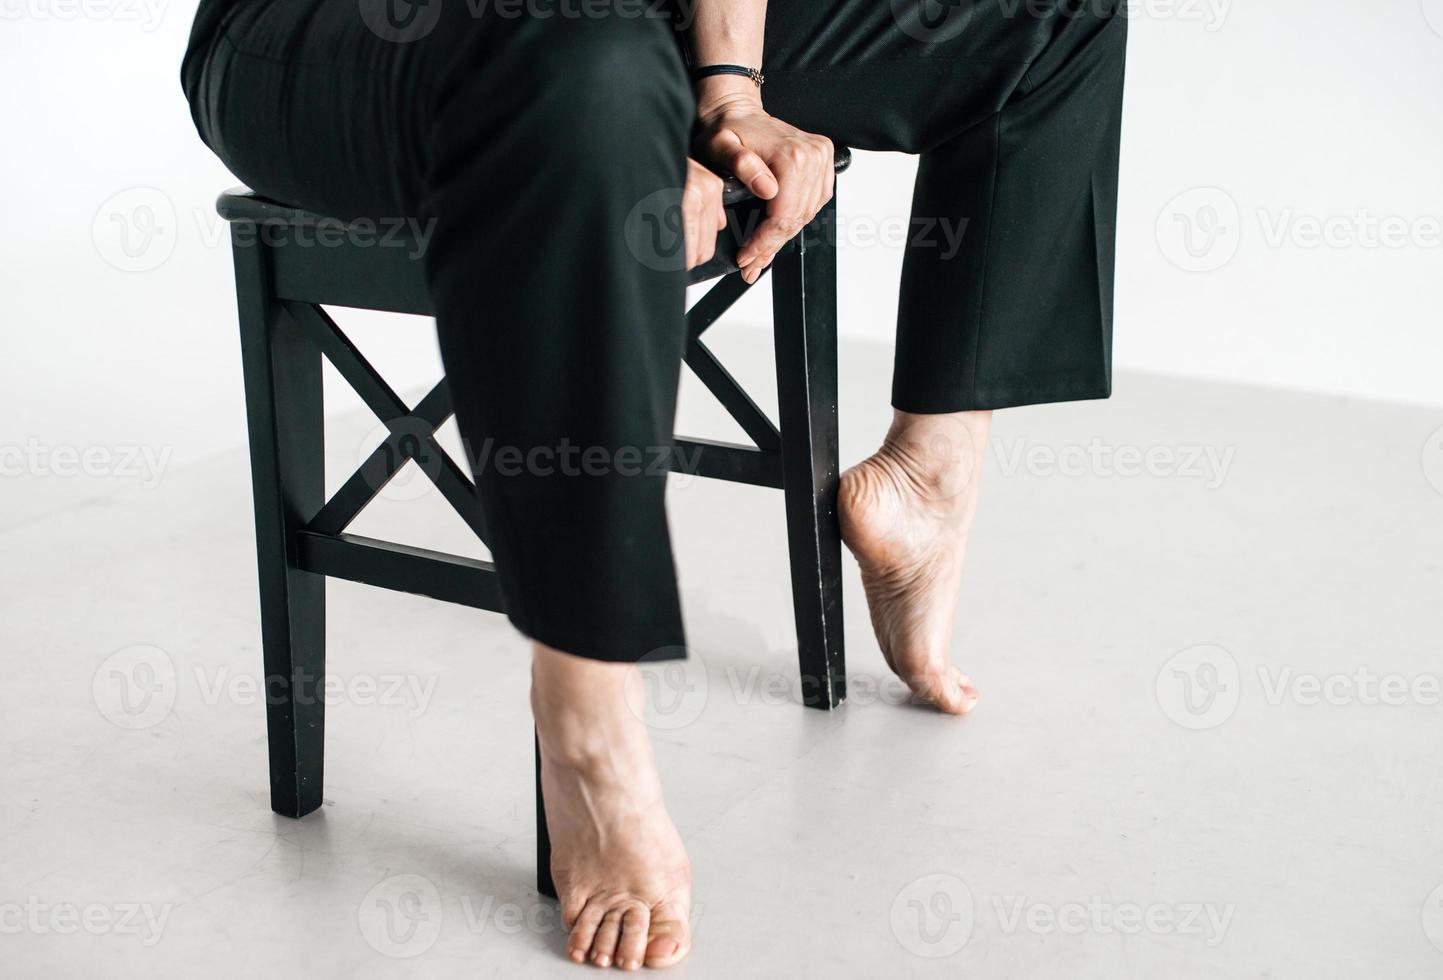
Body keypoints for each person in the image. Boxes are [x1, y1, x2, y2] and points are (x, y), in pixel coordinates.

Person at [183, 0, 1127, 968]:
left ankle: (929, 478)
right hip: (333, 38)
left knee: (1051, 17)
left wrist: (724, 93)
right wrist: (631, 111)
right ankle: (585, 711)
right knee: (585, 65)